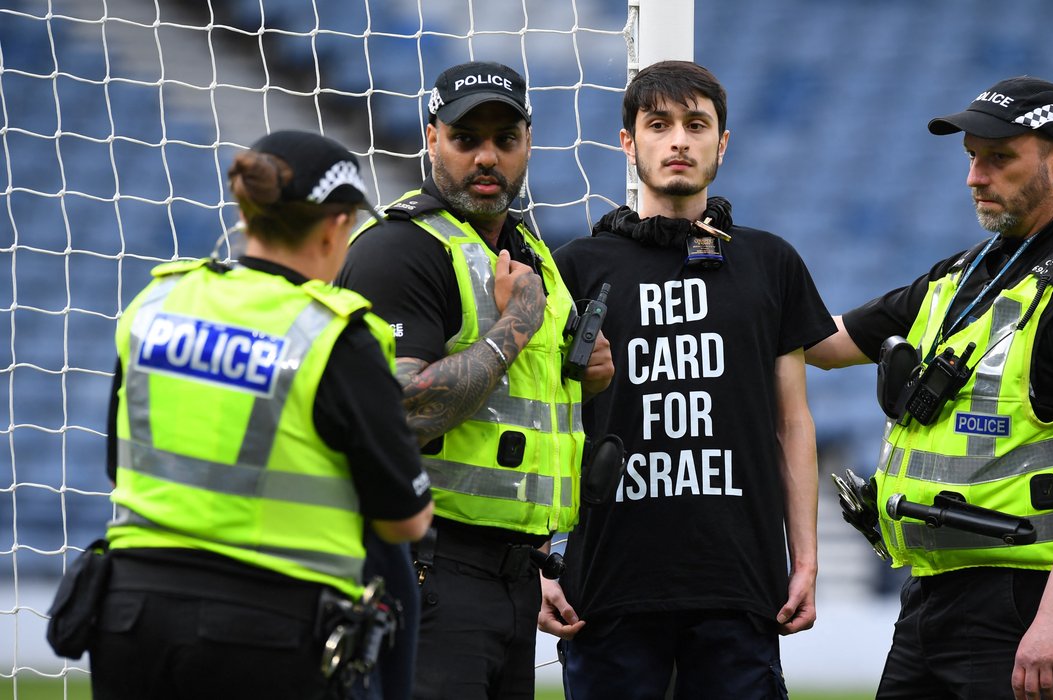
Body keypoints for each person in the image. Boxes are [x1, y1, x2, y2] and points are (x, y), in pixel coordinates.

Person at [808, 77, 1053, 700]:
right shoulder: (962, 273)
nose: (975, 176)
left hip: (1021, 602)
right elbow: (823, 344)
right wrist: (742, 273)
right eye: (972, 157)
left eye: (999, 158)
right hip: (931, 591)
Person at [90, 130, 435, 700]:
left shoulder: (155, 304)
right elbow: (406, 522)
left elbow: (118, 467)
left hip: (131, 615)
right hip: (268, 630)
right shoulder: (336, 336)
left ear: (246, 213)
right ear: (335, 226)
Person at [541, 60, 834, 699]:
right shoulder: (576, 267)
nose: (679, 140)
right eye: (659, 124)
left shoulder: (771, 261)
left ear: (721, 143)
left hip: (739, 582)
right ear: (628, 142)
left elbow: (792, 423)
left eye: (696, 125)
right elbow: (545, 421)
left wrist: (807, 558)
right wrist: (541, 559)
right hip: (606, 586)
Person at [336, 60, 611, 700]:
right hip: (427, 570)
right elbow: (400, 411)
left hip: (513, 574)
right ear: (432, 139)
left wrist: (589, 377)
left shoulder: (528, 248)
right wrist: (515, 325)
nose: (487, 157)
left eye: (505, 139)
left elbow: (521, 407)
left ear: (528, 144)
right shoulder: (399, 249)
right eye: (466, 138)